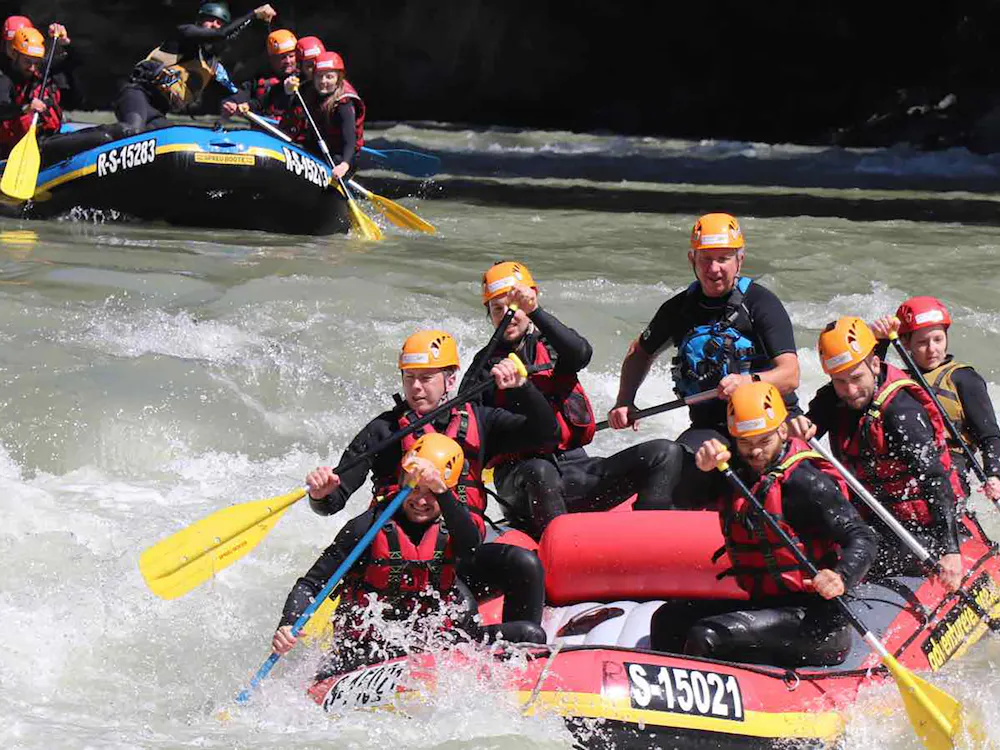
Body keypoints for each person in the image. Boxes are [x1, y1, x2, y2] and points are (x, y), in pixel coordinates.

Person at [294, 330, 556, 641]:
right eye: (410, 378)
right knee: (464, 608)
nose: (416, 387)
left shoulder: (481, 421)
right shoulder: (384, 431)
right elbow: (334, 500)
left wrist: (523, 388)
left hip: (463, 548)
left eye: (426, 378)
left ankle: (519, 656)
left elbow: (546, 435)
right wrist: (321, 494)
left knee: (525, 564)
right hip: (405, 561)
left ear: (450, 378)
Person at [649, 382, 877, 667]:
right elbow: (684, 499)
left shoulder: (806, 481)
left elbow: (862, 536)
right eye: (745, 443)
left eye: (764, 441)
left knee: (706, 635)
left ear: (782, 431)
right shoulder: (733, 472)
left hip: (818, 622)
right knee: (667, 620)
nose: (755, 452)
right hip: (767, 607)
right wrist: (701, 471)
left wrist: (840, 576)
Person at [461, 261, 685, 537]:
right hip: (521, 480)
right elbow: (465, 429)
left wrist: (536, 311)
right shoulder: (484, 367)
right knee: (540, 471)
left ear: (530, 300)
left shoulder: (551, 345)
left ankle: (648, 544)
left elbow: (580, 354)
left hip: (574, 468)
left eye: (514, 306)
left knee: (664, 453)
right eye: (497, 309)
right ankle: (557, 549)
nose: (508, 316)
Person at [607, 213, 800, 507]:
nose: (714, 268)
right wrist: (624, 401)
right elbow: (640, 352)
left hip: (768, 425)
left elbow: (790, 375)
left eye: (723, 259)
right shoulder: (678, 309)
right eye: (706, 259)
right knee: (673, 467)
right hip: (712, 428)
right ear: (692, 260)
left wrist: (748, 382)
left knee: (789, 484)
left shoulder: (761, 304)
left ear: (740, 260)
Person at [272, 434, 482, 675]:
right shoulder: (366, 527)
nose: (421, 500)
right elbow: (311, 584)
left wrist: (441, 490)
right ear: (402, 480)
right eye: (415, 487)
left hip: (428, 640)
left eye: (432, 492)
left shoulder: (454, 526)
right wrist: (288, 624)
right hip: (364, 647)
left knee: (512, 634)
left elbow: (471, 548)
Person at [787, 316, 965, 590]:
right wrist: (795, 428)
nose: (850, 390)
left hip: (921, 527)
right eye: (839, 381)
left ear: (874, 364)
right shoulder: (833, 398)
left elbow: (934, 479)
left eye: (856, 378)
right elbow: (803, 436)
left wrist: (950, 551)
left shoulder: (901, 413)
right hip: (871, 518)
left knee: (853, 557)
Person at [871, 296, 1000, 501]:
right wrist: (881, 340)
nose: (932, 349)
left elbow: (989, 435)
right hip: (905, 463)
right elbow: (869, 383)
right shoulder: (898, 380)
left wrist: (993, 474)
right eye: (922, 342)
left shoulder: (964, 378)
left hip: (950, 464)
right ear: (906, 343)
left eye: (938, 339)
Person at [114, 2, 276, 133]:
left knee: (170, 138)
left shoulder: (212, 68)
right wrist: (254, 14)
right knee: (133, 130)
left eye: (219, 23)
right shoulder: (184, 35)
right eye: (210, 20)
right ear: (200, 21)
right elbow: (220, 34)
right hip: (137, 94)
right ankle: (97, 141)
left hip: (157, 111)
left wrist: (237, 104)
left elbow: (235, 93)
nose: (214, 25)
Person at [278, 50, 364, 181]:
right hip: (318, 146)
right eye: (319, 76)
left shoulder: (344, 104)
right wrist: (288, 91)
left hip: (341, 157)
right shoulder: (308, 90)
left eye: (329, 77)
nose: (323, 81)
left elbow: (350, 140)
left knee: (337, 160)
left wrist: (344, 165)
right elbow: (285, 110)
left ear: (338, 78)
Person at [0, 27, 61, 157]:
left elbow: (68, 62)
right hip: (12, 148)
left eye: (36, 63)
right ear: (15, 55)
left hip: (45, 139)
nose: (32, 68)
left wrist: (64, 42)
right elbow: (2, 109)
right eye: (27, 62)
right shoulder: (5, 81)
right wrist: (26, 108)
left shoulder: (38, 74)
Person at [221, 28, 298, 120]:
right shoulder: (261, 78)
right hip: (265, 125)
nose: (288, 61)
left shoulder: (304, 77)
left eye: (291, 56)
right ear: (271, 59)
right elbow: (243, 92)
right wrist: (232, 102)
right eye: (282, 57)